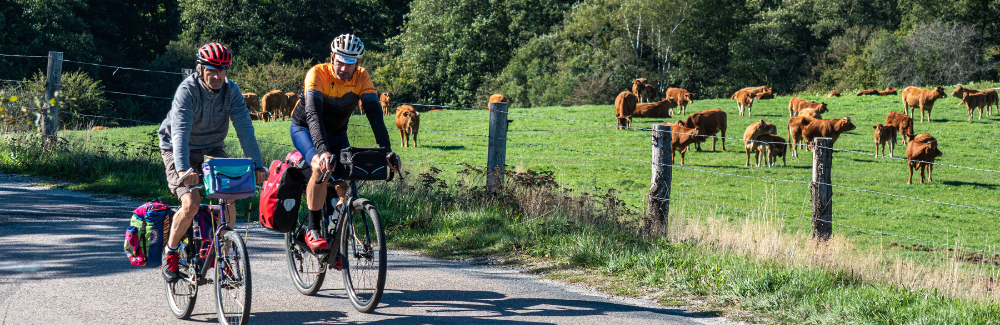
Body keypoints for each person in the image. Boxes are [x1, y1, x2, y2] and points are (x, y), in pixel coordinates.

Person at [158, 42, 268, 282]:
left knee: (229, 196)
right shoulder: (187, 91)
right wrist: (184, 169)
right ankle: (171, 253)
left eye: (223, 70)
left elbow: (245, 130)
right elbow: (180, 133)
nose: (217, 75)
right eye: (211, 70)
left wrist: (258, 166)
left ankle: (225, 258)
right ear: (200, 70)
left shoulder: (232, 91)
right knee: (191, 203)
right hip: (178, 149)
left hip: (212, 148)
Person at [290, 34, 396, 253]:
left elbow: (375, 113)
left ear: (357, 63)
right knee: (320, 167)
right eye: (340, 61)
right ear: (331, 57)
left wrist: (386, 151)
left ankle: (336, 236)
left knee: (346, 182)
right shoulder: (317, 74)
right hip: (306, 129)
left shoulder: (362, 77)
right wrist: (323, 151)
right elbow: (313, 116)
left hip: (337, 133)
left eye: (350, 63)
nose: (344, 67)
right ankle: (312, 230)